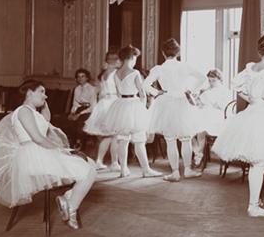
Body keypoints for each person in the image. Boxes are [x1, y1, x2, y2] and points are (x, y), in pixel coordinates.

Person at [0, 80, 96, 230]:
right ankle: (71, 207)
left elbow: (46, 121)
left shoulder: (33, 112)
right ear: (29, 93)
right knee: (88, 170)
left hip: (41, 153)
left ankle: (68, 199)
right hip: (33, 156)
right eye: (42, 92)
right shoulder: (23, 111)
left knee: (90, 164)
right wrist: (61, 151)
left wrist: (43, 102)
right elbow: (37, 138)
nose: (46, 96)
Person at [211, 33, 264, 217]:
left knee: (258, 162)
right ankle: (253, 206)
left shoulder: (251, 68)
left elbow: (238, 88)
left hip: (251, 112)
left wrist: (253, 100)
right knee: (260, 163)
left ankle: (255, 200)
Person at [143, 38, 206, 182]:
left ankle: (175, 172)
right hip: (183, 101)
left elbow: (145, 84)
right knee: (186, 138)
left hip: (166, 102)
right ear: (178, 53)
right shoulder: (185, 66)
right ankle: (188, 170)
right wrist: (191, 90)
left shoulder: (159, 69)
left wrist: (157, 92)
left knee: (170, 139)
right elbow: (202, 78)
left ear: (163, 53)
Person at [101, 45, 163, 179]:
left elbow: (118, 93)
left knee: (123, 140)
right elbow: (142, 94)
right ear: (131, 58)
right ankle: (146, 170)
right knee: (139, 140)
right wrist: (143, 109)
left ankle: (123, 169)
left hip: (121, 105)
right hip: (134, 105)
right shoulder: (135, 73)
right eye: (135, 58)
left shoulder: (116, 73)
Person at [84, 50, 121, 170]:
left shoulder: (103, 74)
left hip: (104, 103)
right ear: (115, 61)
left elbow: (98, 92)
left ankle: (101, 161)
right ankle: (113, 163)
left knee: (109, 136)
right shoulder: (116, 73)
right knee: (114, 135)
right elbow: (119, 91)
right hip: (112, 103)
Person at [192, 68, 233, 166]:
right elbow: (201, 105)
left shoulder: (225, 91)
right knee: (189, 130)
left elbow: (224, 107)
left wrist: (211, 102)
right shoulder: (207, 90)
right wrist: (197, 99)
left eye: (213, 81)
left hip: (218, 118)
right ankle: (198, 153)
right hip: (206, 114)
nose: (211, 83)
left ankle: (198, 155)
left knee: (200, 128)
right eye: (209, 81)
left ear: (220, 79)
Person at [67, 68, 97, 149]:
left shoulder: (92, 89)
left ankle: (80, 143)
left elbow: (93, 106)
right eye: (78, 76)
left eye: (83, 76)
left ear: (87, 78)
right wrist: (72, 113)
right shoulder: (77, 89)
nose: (80, 78)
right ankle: (72, 143)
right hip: (79, 109)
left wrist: (79, 114)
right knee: (69, 121)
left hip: (89, 110)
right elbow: (75, 104)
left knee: (80, 122)